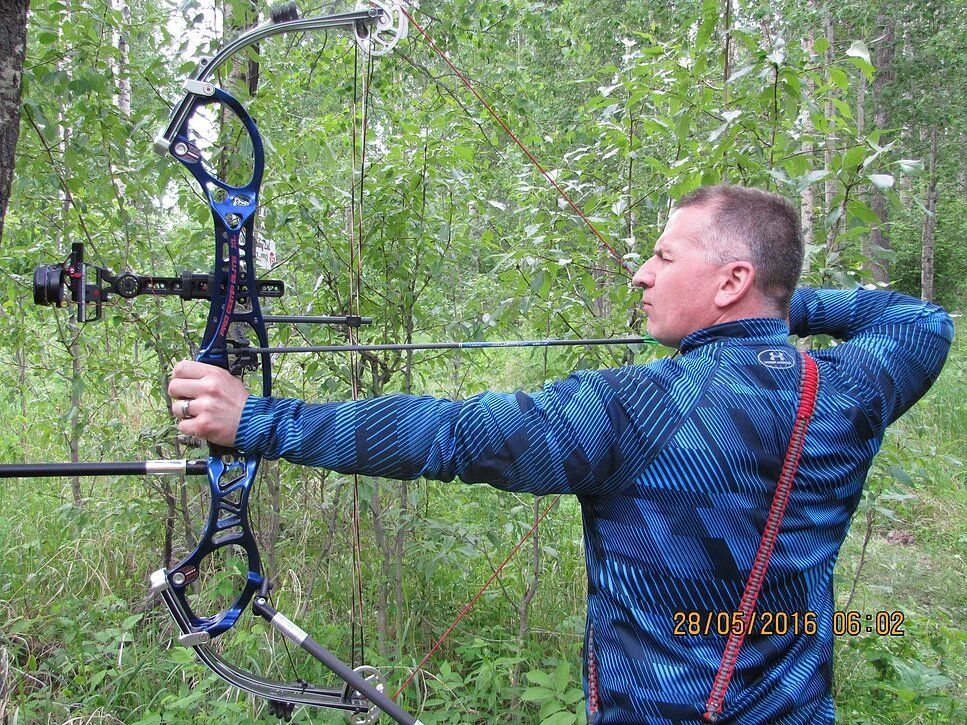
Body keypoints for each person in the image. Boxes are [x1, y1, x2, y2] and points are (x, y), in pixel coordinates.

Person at [168, 184, 953, 723]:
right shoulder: (851, 384)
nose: (641, 274)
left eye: (666, 258)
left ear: (729, 279)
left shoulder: (634, 408)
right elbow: (919, 320)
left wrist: (259, 421)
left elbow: (445, 434)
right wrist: (780, 310)